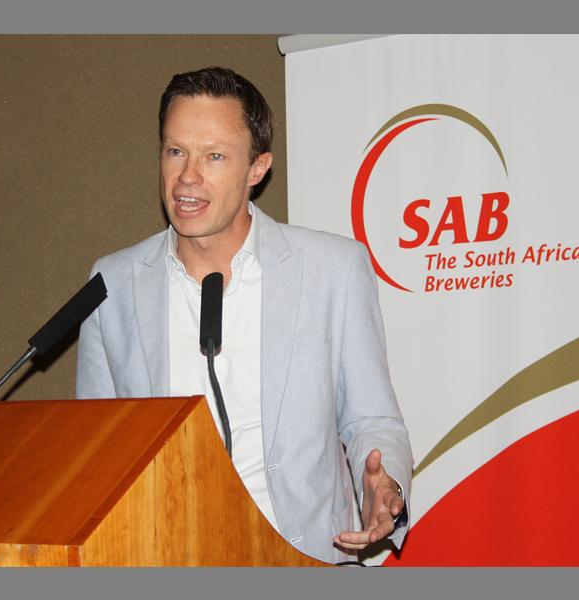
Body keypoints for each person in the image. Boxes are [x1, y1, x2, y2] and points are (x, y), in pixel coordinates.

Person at [76, 66, 413, 564]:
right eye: (176, 152)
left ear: (258, 168)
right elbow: (95, 450)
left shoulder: (333, 269)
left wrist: (384, 485)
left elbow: (372, 419)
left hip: (304, 560)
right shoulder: (112, 283)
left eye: (214, 156)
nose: (188, 177)